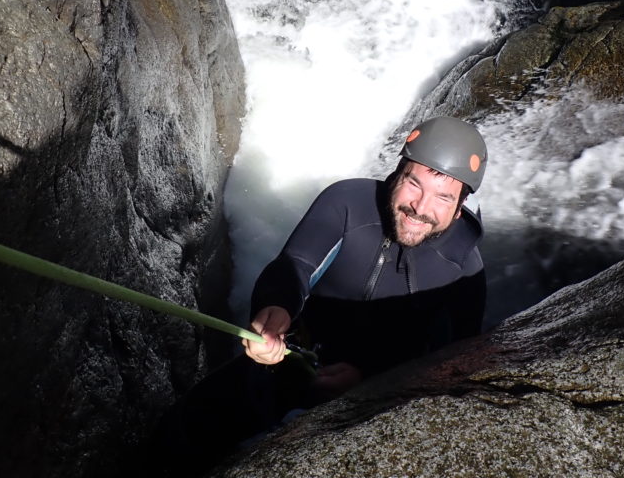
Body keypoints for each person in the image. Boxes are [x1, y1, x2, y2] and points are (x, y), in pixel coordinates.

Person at [144, 115, 488, 475]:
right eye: (413, 184)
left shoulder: (464, 270)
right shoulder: (348, 204)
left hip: (374, 405)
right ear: (398, 171)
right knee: (177, 435)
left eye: (443, 197)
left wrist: (372, 382)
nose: (420, 207)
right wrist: (275, 309)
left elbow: (453, 370)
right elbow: (296, 266)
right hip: (287, 361)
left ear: (461, 203)